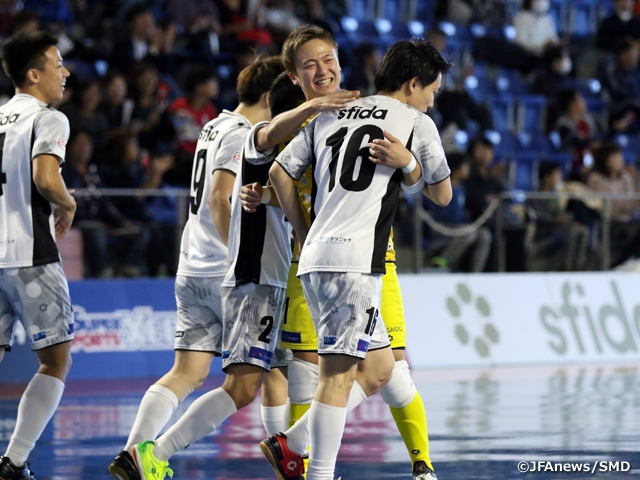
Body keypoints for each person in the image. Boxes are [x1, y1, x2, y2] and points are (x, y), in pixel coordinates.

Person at [241, 25, 442, 480]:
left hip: (371, 259)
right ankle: (306, 462)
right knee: (318, 373)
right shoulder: (301, 119)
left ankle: (420, 463)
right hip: (328, 260)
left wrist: (409, 166)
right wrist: (282, 208)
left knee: (387, 369)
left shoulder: (364, 110)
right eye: (309, 66)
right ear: (294, 77)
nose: (322, 71)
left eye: (328, 59)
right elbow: (268, 155)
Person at [107, 55, 286, 480]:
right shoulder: (242, 133)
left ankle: (134, 455)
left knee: (187, 372)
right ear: (268, 97)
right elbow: (221, 197)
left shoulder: (213, 126)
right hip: (226, 272)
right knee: (263, 374)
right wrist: (238, 253)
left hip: (191, 265)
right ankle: (290, 461)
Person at [0, 31, 76, 480]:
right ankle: (14, 461)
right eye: (57, 63)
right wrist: (68, 202)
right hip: (30, 253)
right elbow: (45, 178)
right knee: (56, 360)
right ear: (33, 74)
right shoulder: (48, 118)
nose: (65, 72)